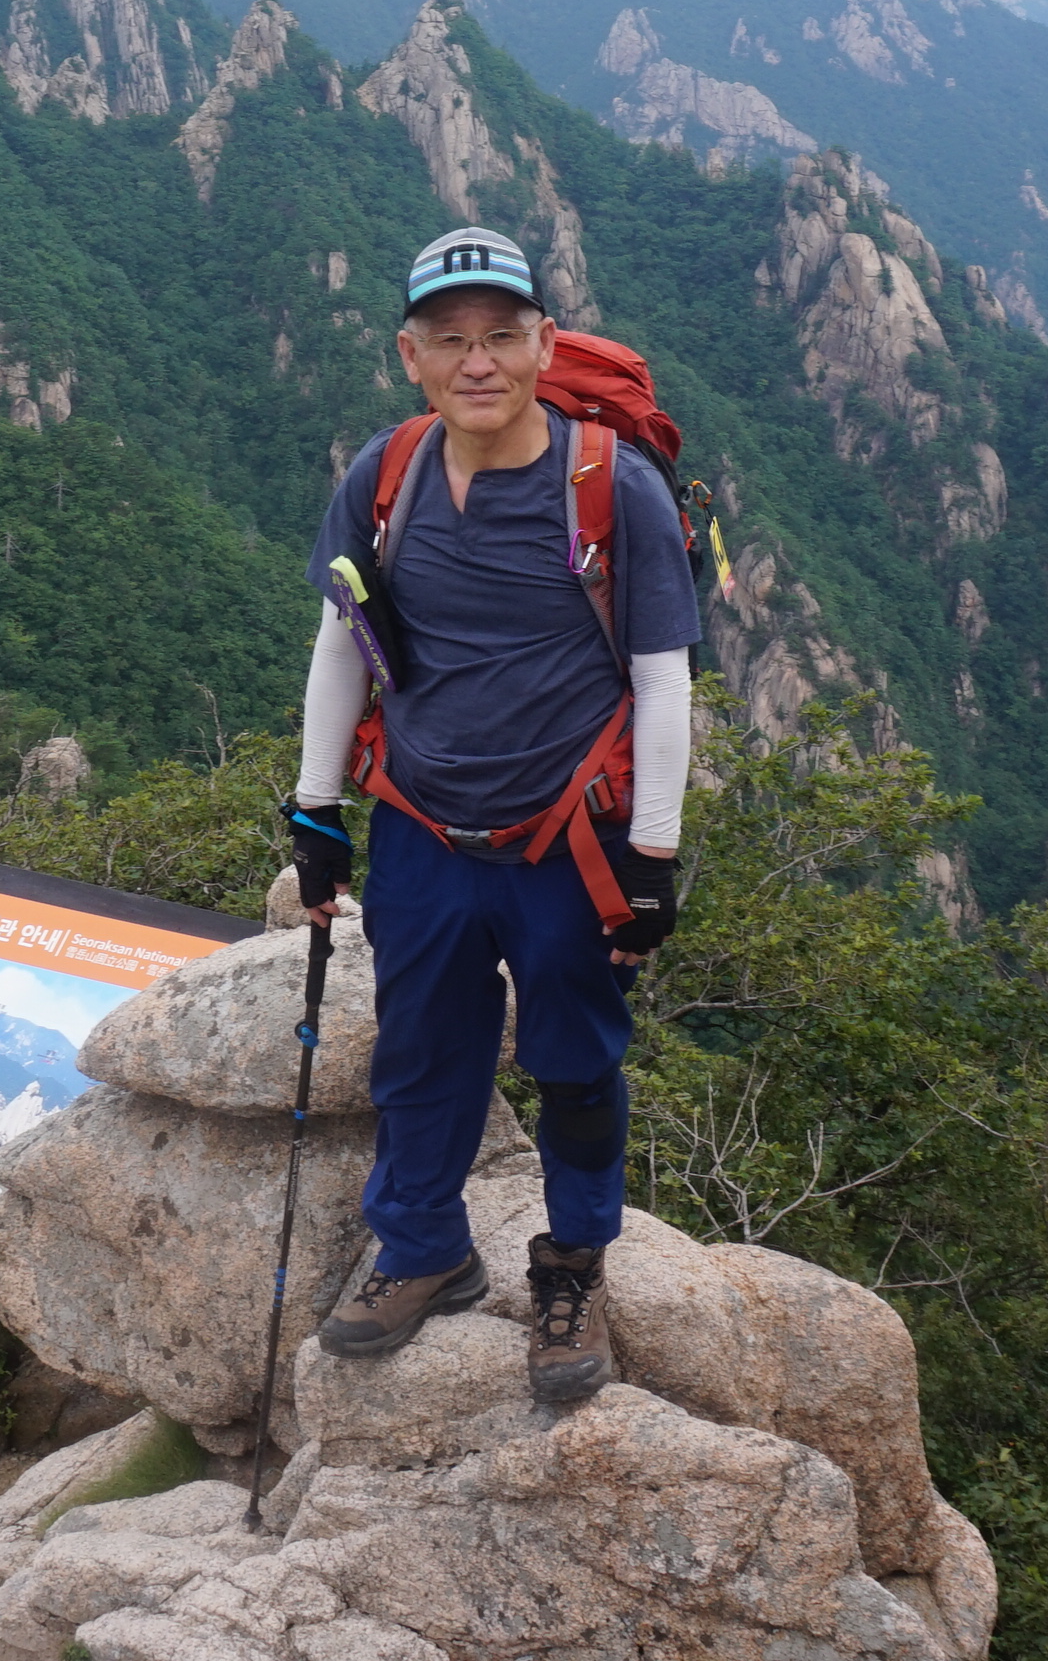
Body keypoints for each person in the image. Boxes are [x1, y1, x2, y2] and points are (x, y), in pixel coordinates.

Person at [285, 226, 699, 1404]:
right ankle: (422, 1249)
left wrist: (654, 856)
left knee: (574, 1061)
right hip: (420, 825)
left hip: (565, 840)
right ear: (409, 354)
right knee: (421, 1054)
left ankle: (572, 1264)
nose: (479, 362)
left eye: (502, 336)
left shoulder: (608, 486)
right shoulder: (385, 474)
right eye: (451, 340)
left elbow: (663, 678)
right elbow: (341, 639)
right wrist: (317, 810)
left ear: (543, 343)